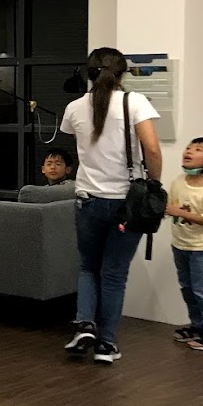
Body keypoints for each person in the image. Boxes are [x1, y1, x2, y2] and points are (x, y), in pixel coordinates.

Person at [61, 47, 162, 365]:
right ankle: (106, 344)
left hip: (87, 200)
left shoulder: (75, 107)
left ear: (89, 73)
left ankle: (84, 325)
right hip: (126, 205)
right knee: (114, 274)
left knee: (88, 267)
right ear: (122, 73)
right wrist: (155, 183)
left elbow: (81, 144)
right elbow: (152, 149)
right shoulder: (135, 102)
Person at [166, 137, 203, 352]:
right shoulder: (178, 181)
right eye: (189, 147)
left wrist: (179, 212)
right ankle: (199, 327)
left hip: (202, 249)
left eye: (198, 149)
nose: (189, 151)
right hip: (180, 245)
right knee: (188, 289)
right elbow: (169, 206)